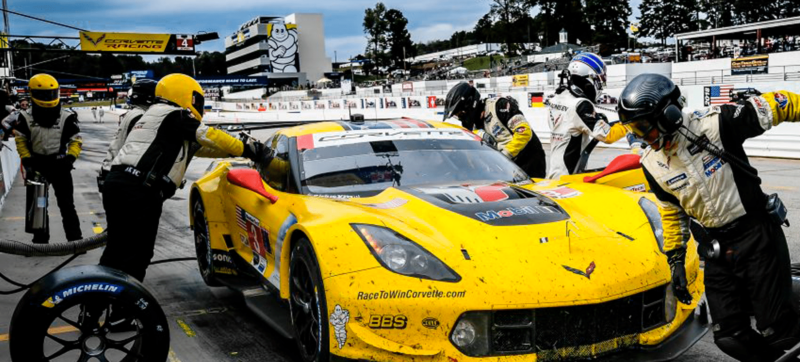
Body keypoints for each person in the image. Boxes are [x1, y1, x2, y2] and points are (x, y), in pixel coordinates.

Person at [618, 73, 800, 361]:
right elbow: (670, 211)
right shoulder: (651, 164)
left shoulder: (717, 123)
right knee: (730, 337)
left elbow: (783, 103)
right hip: (717, 248)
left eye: (644, 127)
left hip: (756, 235)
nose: (641, 137)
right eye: (633, 129)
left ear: (669, 115)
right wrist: (676, 259)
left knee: (779, 332)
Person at [100, 73, 262, 282]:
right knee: (138, 255)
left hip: (117, 184)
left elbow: (203, 148)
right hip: (139, 190)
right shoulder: (174, 115)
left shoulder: (156, 118)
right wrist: (246, 148)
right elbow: (210, 136)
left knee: (116, 250)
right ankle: (126, 305)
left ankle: (96, 303)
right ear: (184, 95)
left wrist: (237, 151)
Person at [13, 73, 83, 243]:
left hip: (60, 165)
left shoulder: (67, 116)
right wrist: (27, 159)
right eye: (43, 95)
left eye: (50, 94)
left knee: (67, 205)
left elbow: (76, 140)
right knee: (39, 205)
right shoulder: (26, 116)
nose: (48, 98)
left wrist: (70, 159)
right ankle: (40, 241)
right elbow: (20, 139)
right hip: (37, 165)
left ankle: (75, 240)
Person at [546, 52, 628, 179]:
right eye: (598, 80)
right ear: (590, 79)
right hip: (570, 177)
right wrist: (631, 125)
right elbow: (608, 136)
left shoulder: (557, 98)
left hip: (555, 172)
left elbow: (572, 122)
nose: (600, 84)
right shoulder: (581, 105)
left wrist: (596, 118)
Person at [443, 82, 546, 178]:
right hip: (509, 167)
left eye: (459, 113)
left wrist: (503, 157)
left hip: (530, 162)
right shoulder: (475, 125)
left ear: (468, 104)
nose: (460, 118)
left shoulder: (499, 106)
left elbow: (524, 132)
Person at [98, 79, 157, 192]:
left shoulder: (132, 114)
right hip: (123, 174)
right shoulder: (142, 118)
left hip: (110, 168)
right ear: (149, 97)